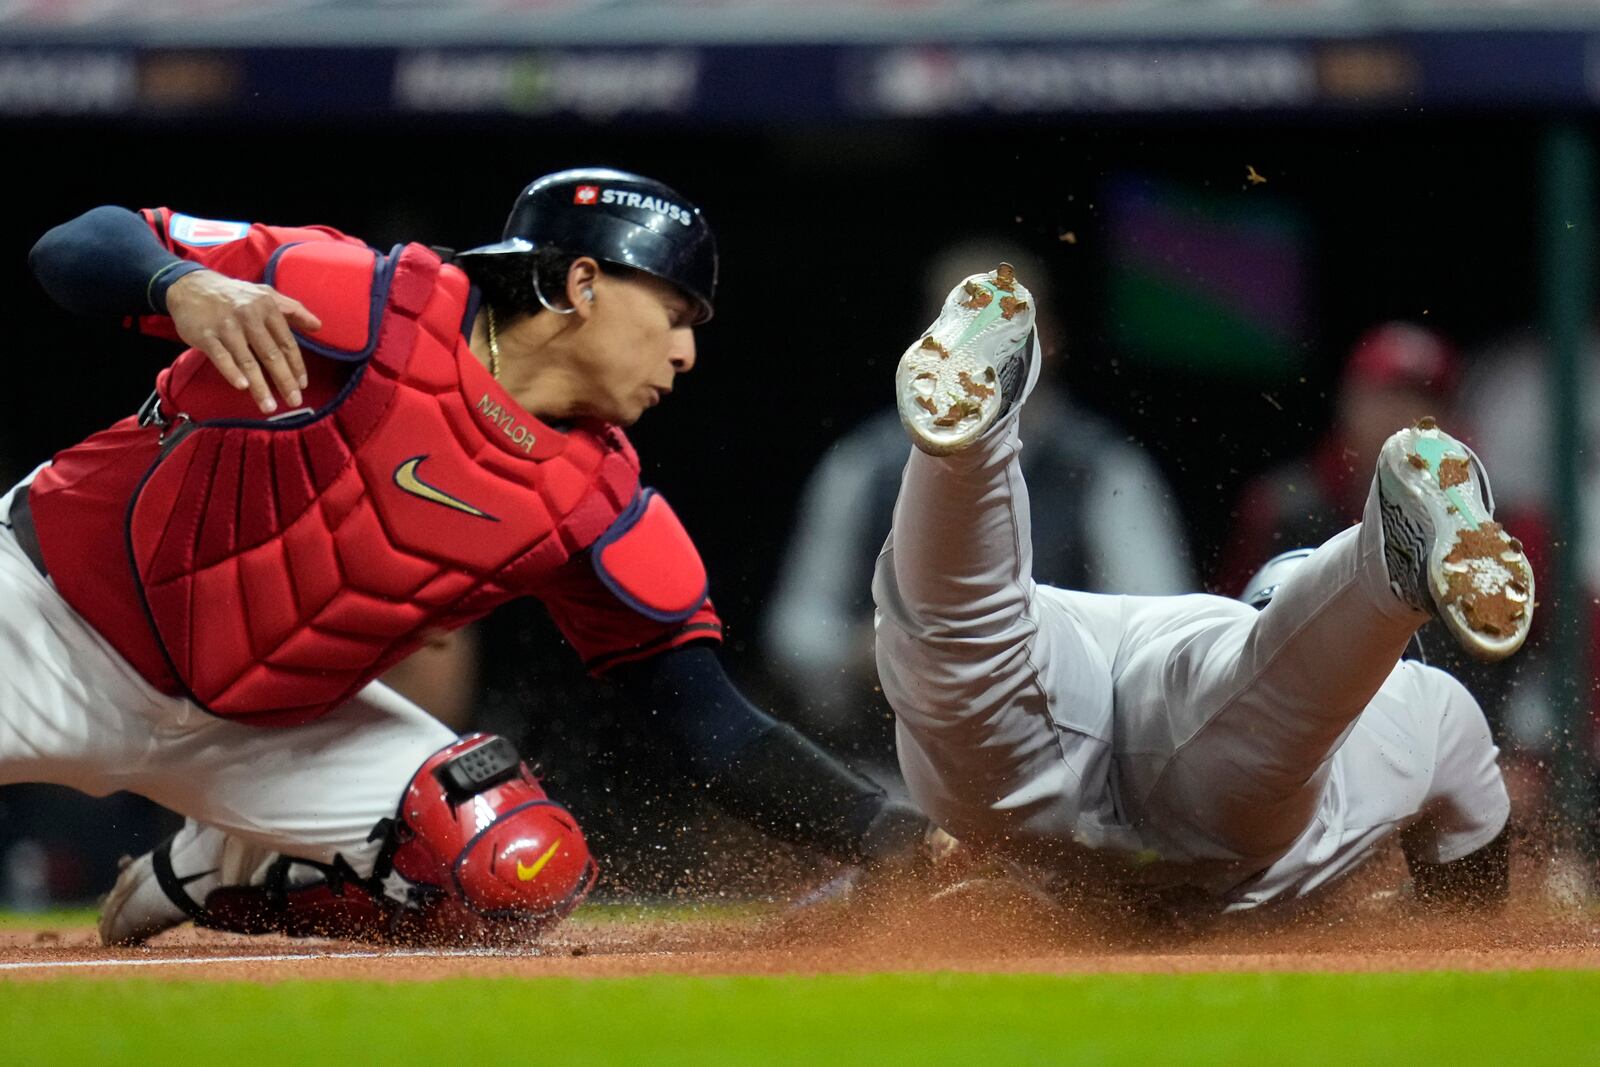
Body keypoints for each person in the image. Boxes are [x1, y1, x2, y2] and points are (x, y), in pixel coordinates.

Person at [9, 167, 927, 946]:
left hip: (263, 731)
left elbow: (710, 726)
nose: (688, 353)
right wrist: (176, 280)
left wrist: (900, 840)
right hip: (50, 620)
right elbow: (77, 244)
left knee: (524, 867)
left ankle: (218, 870)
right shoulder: (368, 304)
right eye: (676, 312)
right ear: (581, 284)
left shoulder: (596, 500)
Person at [872, 264, 1533, 914]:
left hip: (1090, 664)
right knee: (1272, 722)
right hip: (1189, 733)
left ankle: (971, 446)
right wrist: (1402, 907)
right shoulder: (1397, 717)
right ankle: (1389, 565)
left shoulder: (1393, 712)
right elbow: (1463, 905)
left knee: (960, 645)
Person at [764, 237, 1194, 759]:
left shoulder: (1103, 470)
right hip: (888, 774)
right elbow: (796, 630)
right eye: (955, 328)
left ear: (1047, 338)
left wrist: (1024, 654)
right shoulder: (864, 464)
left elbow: (1158, 635)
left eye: (998, 328)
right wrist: (874, 653)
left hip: (1055, 780)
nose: (973, 347)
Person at [1214, 320, 1461, 598]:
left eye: (1420, 399)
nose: (1402, 415)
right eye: (1386, 396)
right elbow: (1238, 619)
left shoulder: (1474, 518)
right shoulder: (1282, 506)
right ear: (1348, 401)